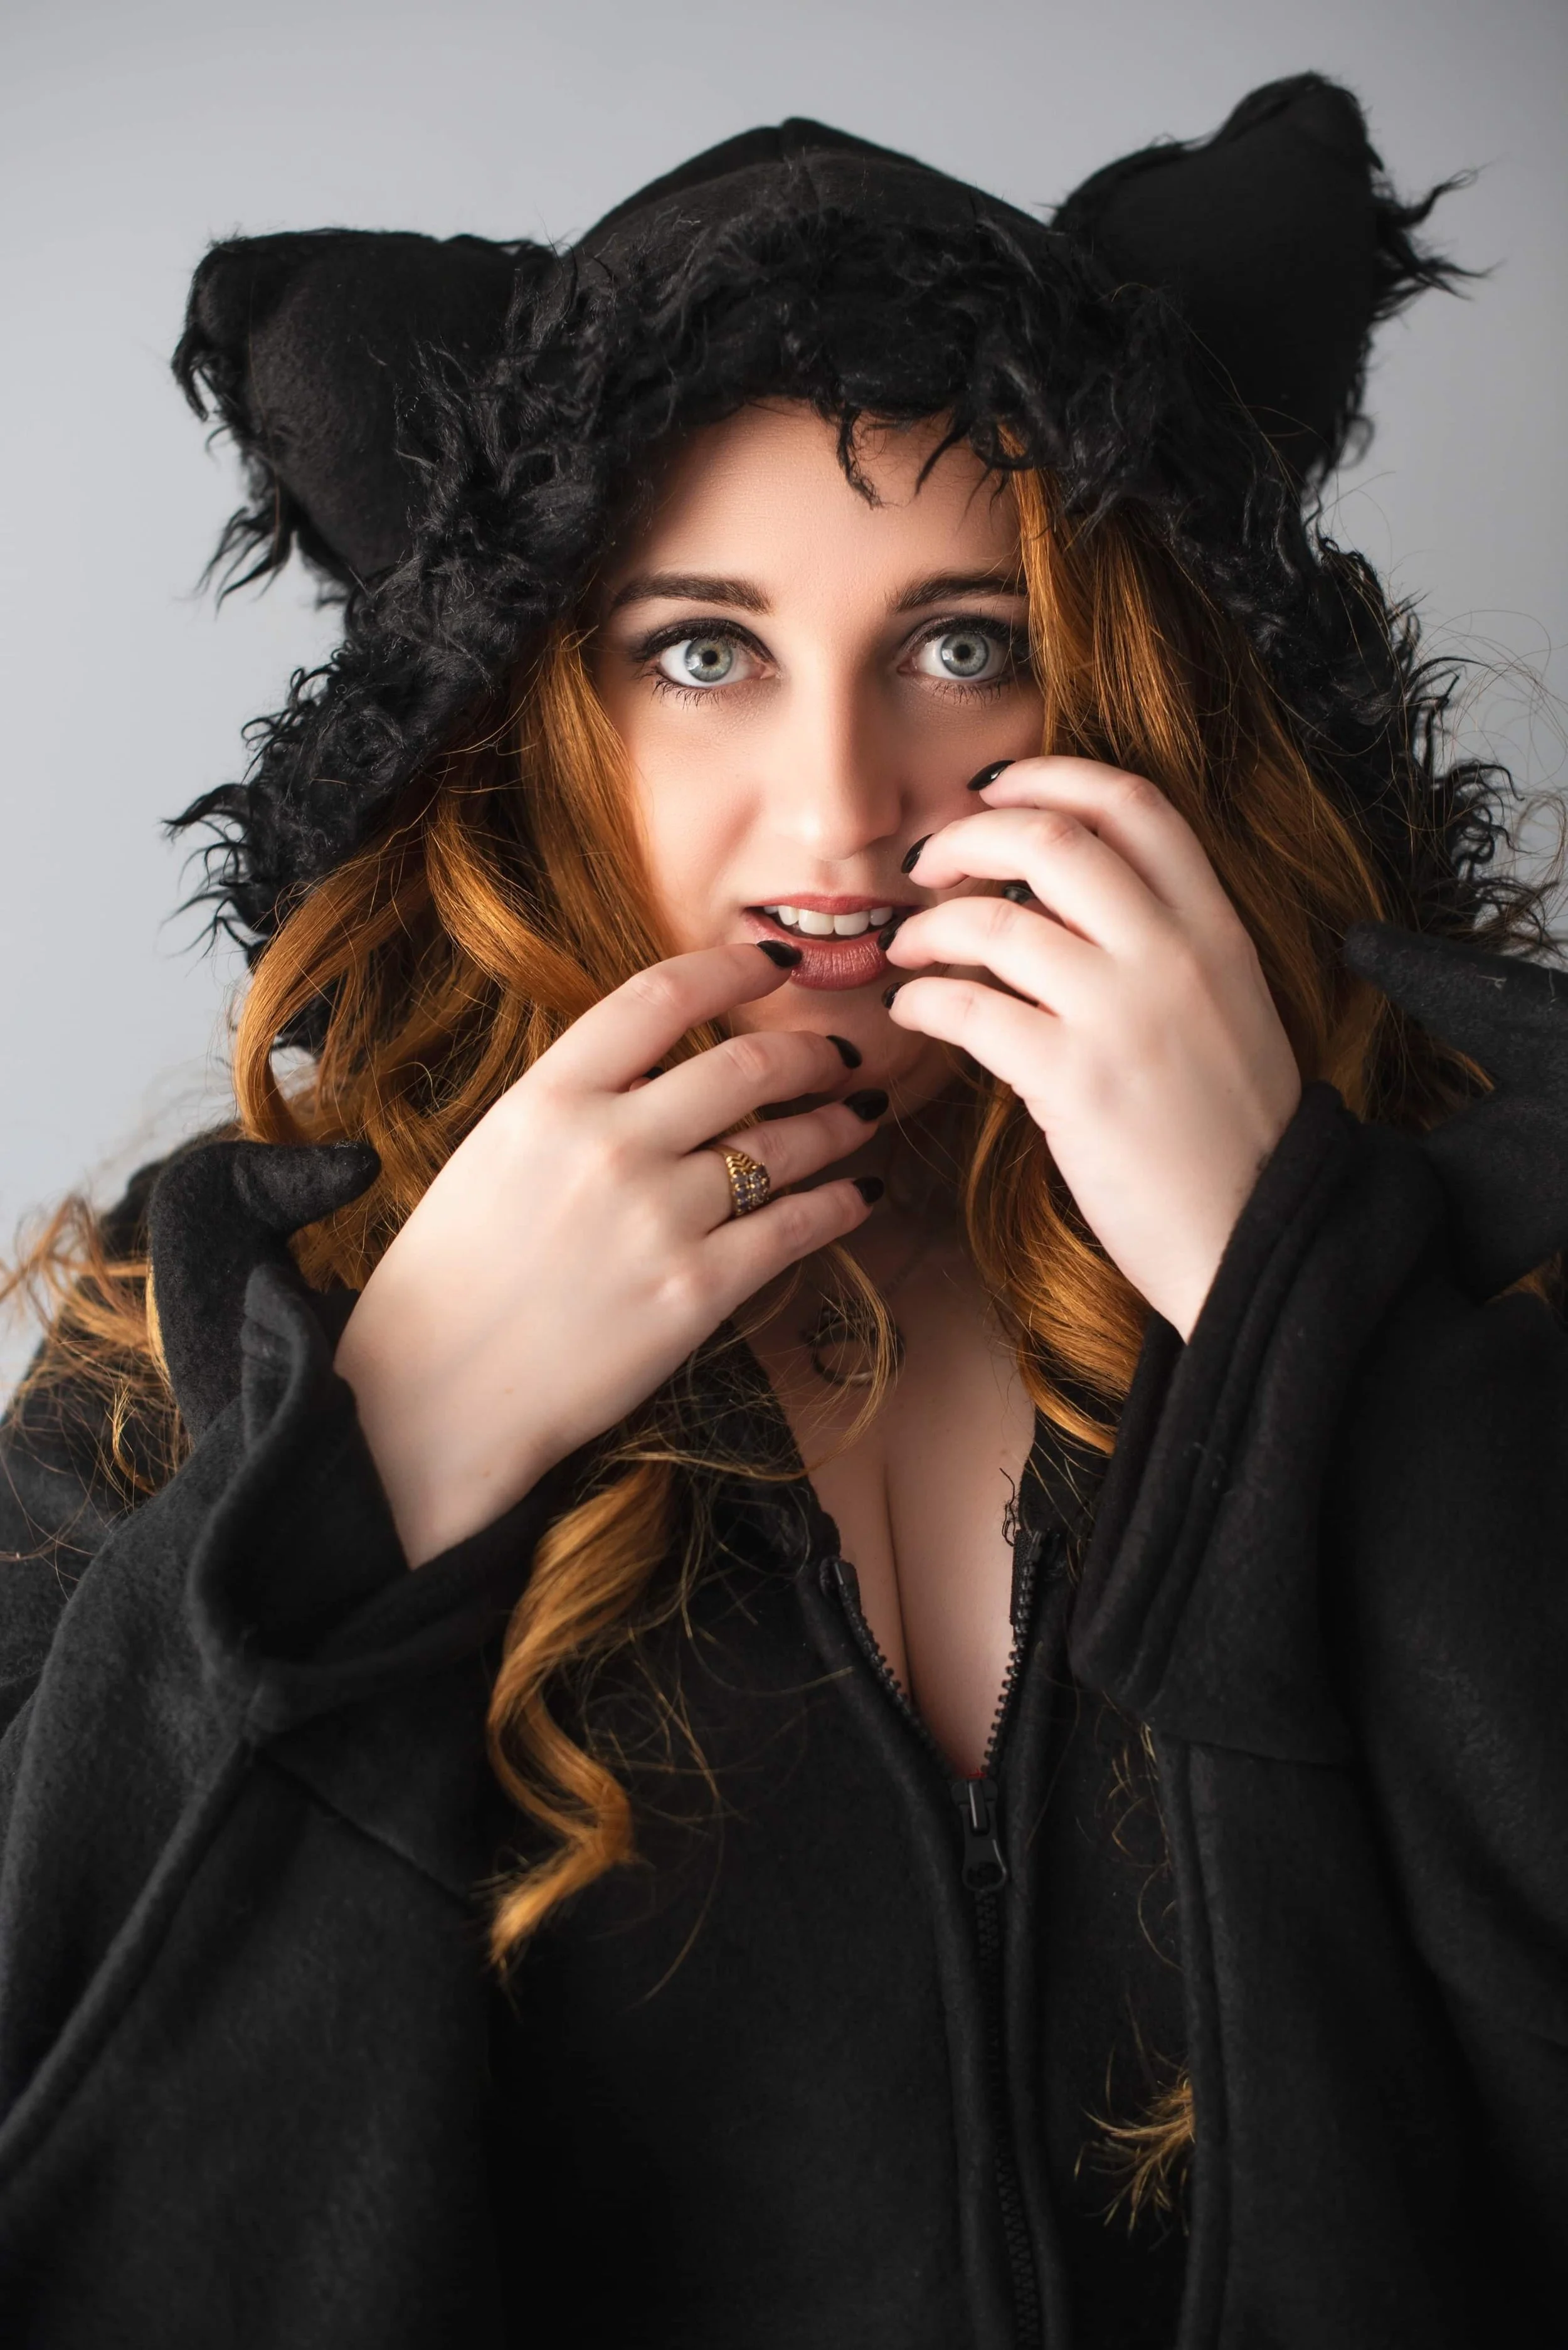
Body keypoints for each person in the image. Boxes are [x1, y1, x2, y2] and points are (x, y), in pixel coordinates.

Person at [1, 75, 1565, 2350]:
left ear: (1120, 671)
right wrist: (380, 1459)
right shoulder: (228, 1309)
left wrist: (1296, 1291)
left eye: (963, 643)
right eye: (701, 650)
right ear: (543, 702)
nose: (842, 806)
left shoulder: (1487, 1222)